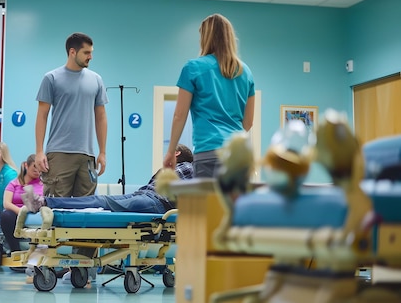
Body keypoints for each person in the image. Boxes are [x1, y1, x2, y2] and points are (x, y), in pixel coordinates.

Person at [163, 14, 255, 177]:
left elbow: (179, 115)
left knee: (209, 203)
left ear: (206, 38)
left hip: (210, 154)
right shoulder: (245, 72)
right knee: (233, 203)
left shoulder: (193, 67)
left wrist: (171, 151)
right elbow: (248, 123)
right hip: (239, 155)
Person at [35, 32, 108, 198]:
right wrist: (39, 151)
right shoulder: (51, 78)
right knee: (55, 207)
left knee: (87, 208)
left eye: (91, 52)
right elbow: (42, 116)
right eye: (87, 53)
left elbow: (101, 117)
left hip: (87, 156)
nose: (91, 56)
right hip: (59, 153)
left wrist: (102, 152)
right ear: (72, 52)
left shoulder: (96, 80)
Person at [22, 144, 194, 214]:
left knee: (101, 202)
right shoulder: (169, 171)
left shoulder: (188, 167)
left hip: (155, 203)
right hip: (143, 196)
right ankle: (44, 202)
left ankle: (44, 203)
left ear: (177, 153)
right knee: (101, 200)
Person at [0, 154, 44, 252]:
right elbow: (7, 203)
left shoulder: (43, 185)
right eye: (34, 166)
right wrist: (22, 212)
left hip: (36, 214)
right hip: (16, 214)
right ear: (26, 165)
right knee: (6, 216)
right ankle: (15, 251)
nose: (37, 170)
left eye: (39, 167)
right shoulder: (14, 184)